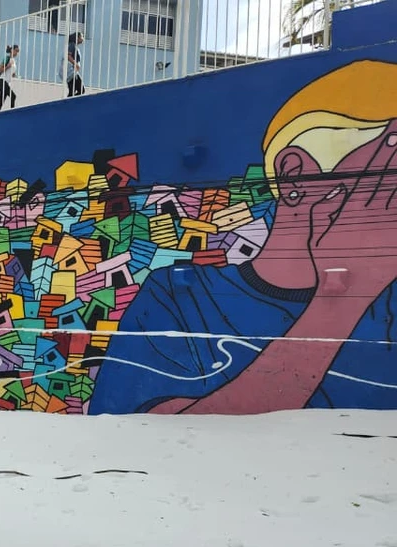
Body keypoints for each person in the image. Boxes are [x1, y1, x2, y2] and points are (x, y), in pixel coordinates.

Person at [88, 60, 397, 415]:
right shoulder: (179, 296)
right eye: (386, 176)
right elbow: (147, 440)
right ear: (294, 175)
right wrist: (340, 298)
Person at [0, 45, 19, 111]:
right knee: (13, 96)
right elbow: (0, 70)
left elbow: (10, 71)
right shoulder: (6, 58)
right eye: (16, 50)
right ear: (11, 50)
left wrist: (13, 74)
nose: (17, 52)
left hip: (6, 82)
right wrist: (8, 66)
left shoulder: (13, 61)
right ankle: (12, 113)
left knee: (1, 100)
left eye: (18, 51)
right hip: (2, 80)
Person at [65, 32, 84, 97]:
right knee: (80, 90)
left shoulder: (74, 46)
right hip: (71, 72)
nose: (83, 38)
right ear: (77, 38)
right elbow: (68, 56)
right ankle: (67, 103)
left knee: (74, 91)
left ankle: (69, 102)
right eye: (81, 37)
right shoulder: (72, 45)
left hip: (73, 72)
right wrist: (75, 64)